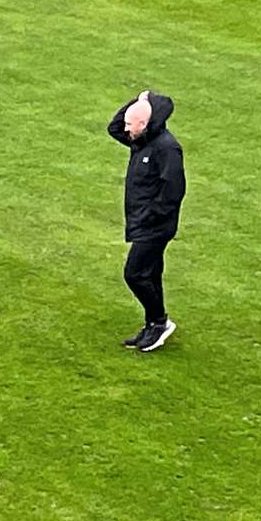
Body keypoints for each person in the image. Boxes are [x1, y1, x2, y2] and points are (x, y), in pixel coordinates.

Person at [107, 90, 186, 352]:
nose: (126, 129)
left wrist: (151, 216)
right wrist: (137, 102)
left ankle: (160, 322)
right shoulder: (141, 140)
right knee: (150, 274)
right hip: (143, 222)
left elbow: (174, 190)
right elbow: (114, 128)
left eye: (132, 124)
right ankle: (154, 323)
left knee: (135, 274)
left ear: (144, 124)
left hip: (155, 225)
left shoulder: (166, 147)